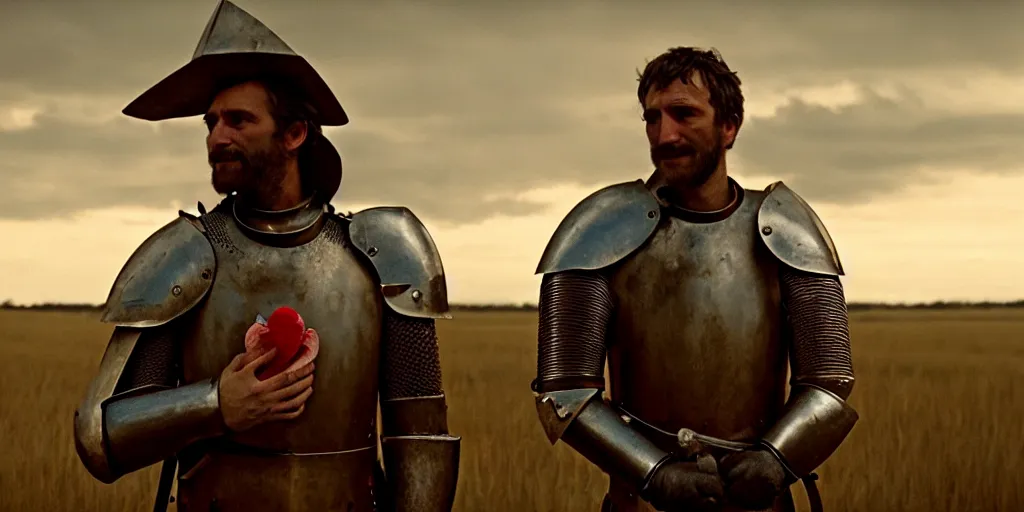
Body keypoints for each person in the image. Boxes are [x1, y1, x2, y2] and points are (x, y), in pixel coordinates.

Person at [72, 2, 460, 510]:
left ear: (294, 133)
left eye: (238, 120)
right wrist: (215, 404)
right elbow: (100, 436)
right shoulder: (185, 254)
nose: (216, 138)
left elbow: (420, 440)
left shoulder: (382, 253)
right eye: (210, 123)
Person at [530, 46, 858, 512]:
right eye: (651, 118)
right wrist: (655, 473)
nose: (664, 135)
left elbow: (829, 379)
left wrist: (775, 460)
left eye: (683, 114)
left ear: (729, 127)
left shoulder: (785, 229)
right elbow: (563, 392)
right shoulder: (599, 232)